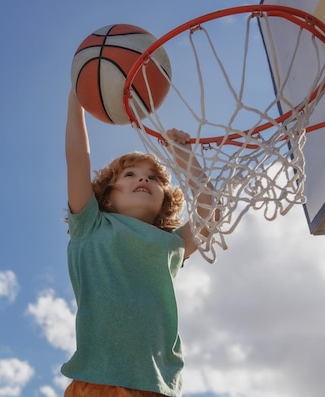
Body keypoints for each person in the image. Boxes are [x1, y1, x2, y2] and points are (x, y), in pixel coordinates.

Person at [62, 91, 217, 397]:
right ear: (107, 194)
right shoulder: (91, 223)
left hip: (158, 385)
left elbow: (210, 211)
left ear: (165, 200)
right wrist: (78, 97)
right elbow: (77, 157)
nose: (143, 179)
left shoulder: (171, 245)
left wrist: (183, 156)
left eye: (154, 178)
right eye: (130, 174)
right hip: (99, 380)